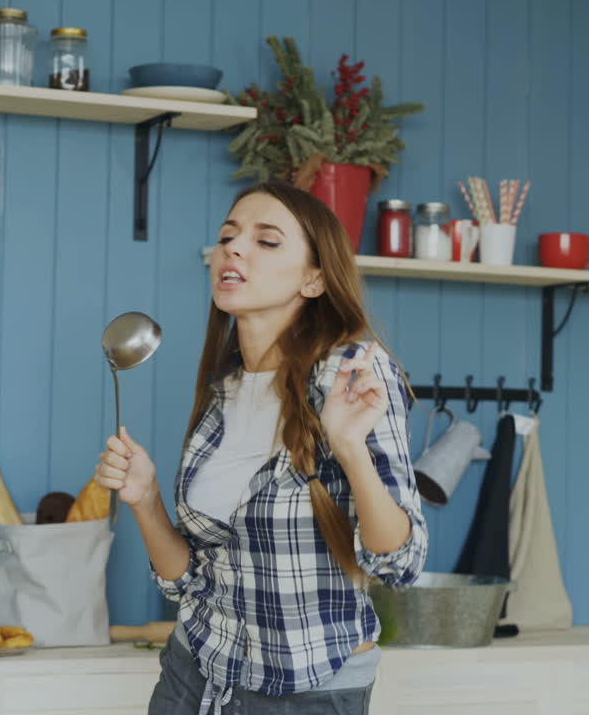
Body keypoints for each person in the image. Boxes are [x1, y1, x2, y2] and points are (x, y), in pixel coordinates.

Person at [93, 181, 427, 715]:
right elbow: (190, 582)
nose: (234, 248)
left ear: (315, 278)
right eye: (228, 236)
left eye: (266, 241)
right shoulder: (222, 390)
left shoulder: (352, 374)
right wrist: (146, 497)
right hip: (194, 678)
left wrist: (347, 445)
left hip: (310, 693)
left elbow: (399, 563)